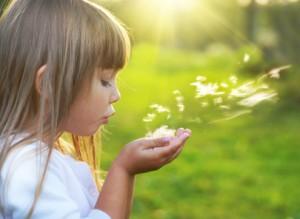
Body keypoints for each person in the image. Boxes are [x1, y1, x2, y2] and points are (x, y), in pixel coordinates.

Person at [0, 0, 192, 218]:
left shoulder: (33, 158)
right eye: (105, 80)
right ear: (49, 84)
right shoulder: (28, 168)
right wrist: (124, 170)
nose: (116, 95)